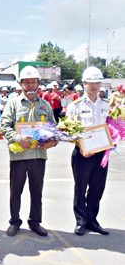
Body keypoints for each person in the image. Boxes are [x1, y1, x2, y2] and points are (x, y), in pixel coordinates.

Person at [0, 66, 57, 237]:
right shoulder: (13, 103)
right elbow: (4, 126)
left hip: (39, 155)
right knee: (15, 190)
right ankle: (15, 221)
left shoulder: (45, 105)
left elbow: (53, 128)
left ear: (38, 83)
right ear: (21, 84)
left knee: (37, 190)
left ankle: (35, 221)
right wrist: (19, 139)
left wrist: (52, 142)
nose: (31, 85)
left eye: (34, 82)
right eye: (27, 82)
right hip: (18, 155)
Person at [66, 66, 110, 236]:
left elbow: (111, 128)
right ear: (84, 83)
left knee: (97, 189)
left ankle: (92, 220)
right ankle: (81, 221)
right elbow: (68, 131)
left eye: (97, 82)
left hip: (101, 154)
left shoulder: (106, 105)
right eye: (91, 82)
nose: (94, 85)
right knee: (80, 188)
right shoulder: (75, 106)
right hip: (82, 154)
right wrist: (81, 146)